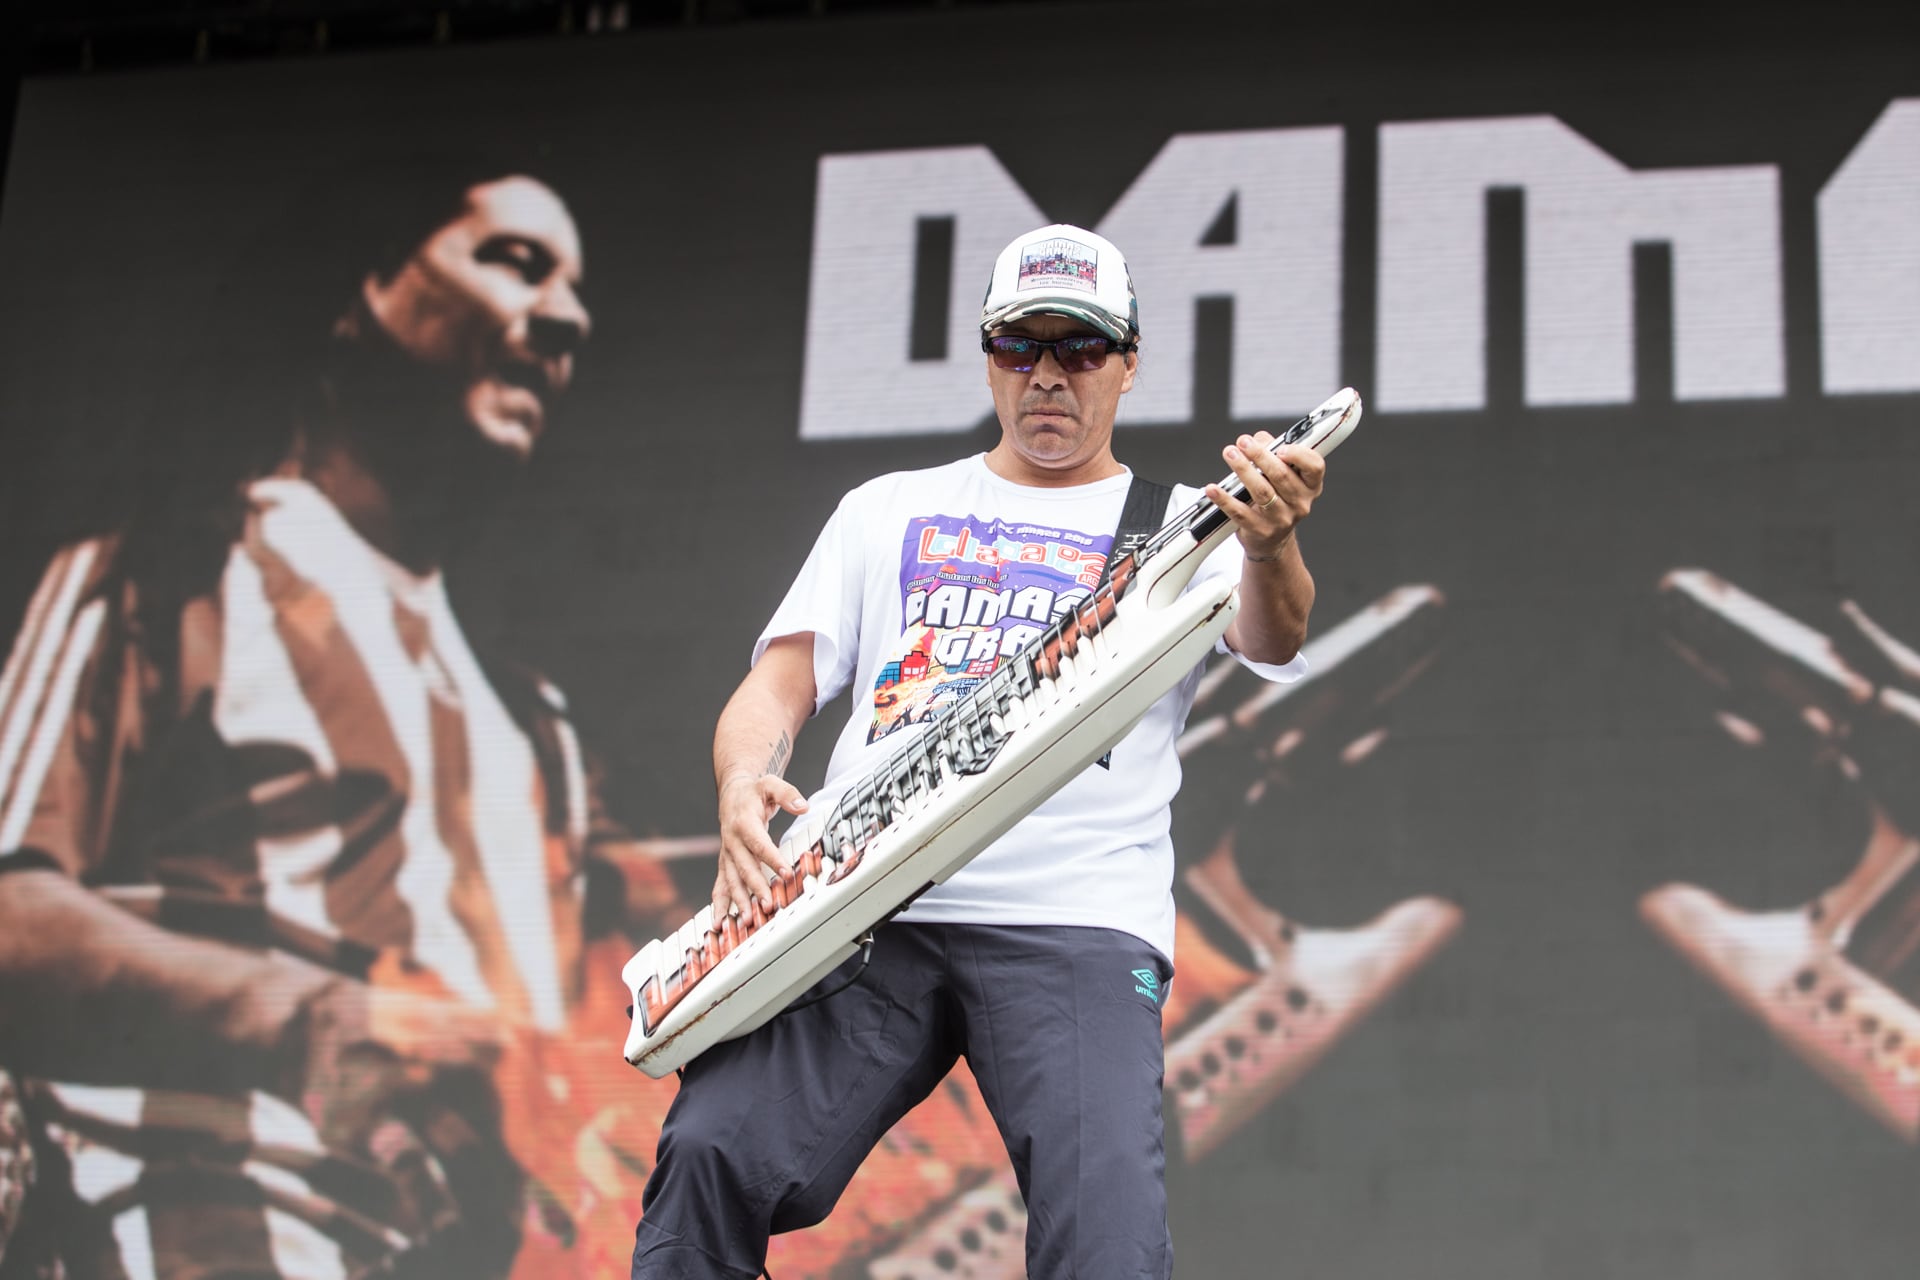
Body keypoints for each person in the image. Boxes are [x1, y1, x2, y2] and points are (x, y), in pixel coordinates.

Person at [0, 167, 681, 1279]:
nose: (567, 317)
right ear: (359, 288)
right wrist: (312, 1019)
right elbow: (10, 916)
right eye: (514, 263)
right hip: (217, 1221)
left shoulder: (537, 730)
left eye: (574, 287)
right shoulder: (168, 579)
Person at [630, 223, 1327, 1279]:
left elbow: (1274, 636)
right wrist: (742, 779)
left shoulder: (1185, 524)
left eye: (1079, 347)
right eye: (1020, 345)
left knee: (1110, 1243)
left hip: (1074, 919)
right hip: (861, 906)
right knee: (709, 1152)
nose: (1047, 374)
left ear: (1128, 363)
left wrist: (1270, 544)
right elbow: (780, 682)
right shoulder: (888, 508)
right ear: (988, 356)